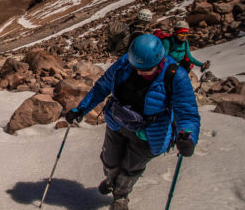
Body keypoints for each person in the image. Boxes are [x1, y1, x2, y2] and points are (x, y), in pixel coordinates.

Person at [64, 34, 200, 210]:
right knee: (109, 160)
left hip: (150, 134)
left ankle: (121, 195)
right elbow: (102, 87)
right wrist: (81, 109)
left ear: (159, 61)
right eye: (136, 67)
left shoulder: (175, 76)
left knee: (130, 168)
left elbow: (187, 112)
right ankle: (112, 181)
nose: (139, 72)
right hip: (118, 123)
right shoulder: (125, 63)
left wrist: (188, 136)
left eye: (145, 70)